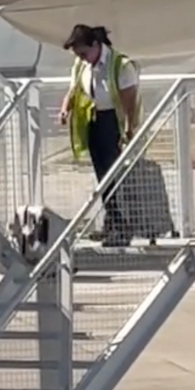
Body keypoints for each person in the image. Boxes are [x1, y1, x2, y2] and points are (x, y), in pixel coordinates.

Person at [58, 24, 141, 246]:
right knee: (102, 176)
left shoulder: (120, 65)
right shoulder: (82, 65)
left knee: (113, 175)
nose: (83, 58)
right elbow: (74, 89)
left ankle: (121, 226)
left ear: (96, 45)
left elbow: (129, 100)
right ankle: (111, 222)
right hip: (94, 120)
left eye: (84, 53)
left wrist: (128, 127)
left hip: (112, 121)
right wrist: (65, 108)